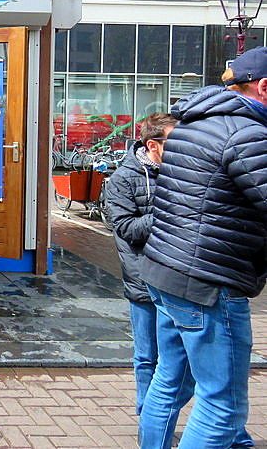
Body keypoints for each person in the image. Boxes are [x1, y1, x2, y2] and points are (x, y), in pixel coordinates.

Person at [138, 47, 267, 448]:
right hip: (208, 282)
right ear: (264, 87)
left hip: (167, 270)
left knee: (169, 381)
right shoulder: (247, 134)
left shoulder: (190, 125)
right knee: (221, 406)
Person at [104, 112, 178, 419]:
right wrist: (169, 211)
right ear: (152, 145)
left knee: (178, 359)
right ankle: (148, 422)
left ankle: (163, 421)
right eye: (175, 142)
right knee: (148, 356)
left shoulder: (182, 174)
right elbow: (126, 228)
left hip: (179, 282)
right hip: (144, 281)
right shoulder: (122, 179)